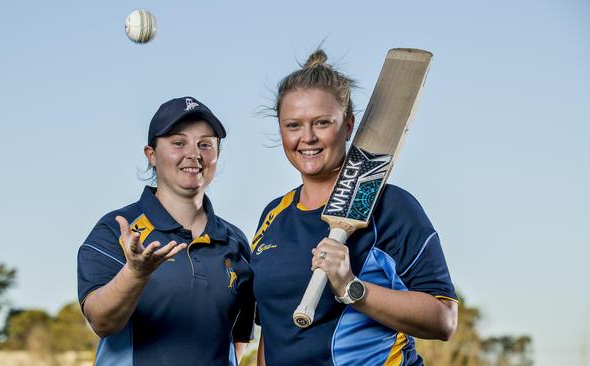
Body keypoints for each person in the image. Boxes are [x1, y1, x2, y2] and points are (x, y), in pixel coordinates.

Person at [251, 50, 458, 365]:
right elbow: (273, 331)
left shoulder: (390, 206)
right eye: (293, 125)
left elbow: (444, 320)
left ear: (348, 125)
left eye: (322, 123)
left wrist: (350, 285)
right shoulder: (273, 216)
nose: (307, 137)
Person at [77, 96, 254, 366]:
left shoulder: (236, 241)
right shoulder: (116, 229)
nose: (193, 154)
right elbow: (102, 322)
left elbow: (237, 337)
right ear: (151, 155)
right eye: (178, 143)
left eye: (205, 144)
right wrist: (136, 273)